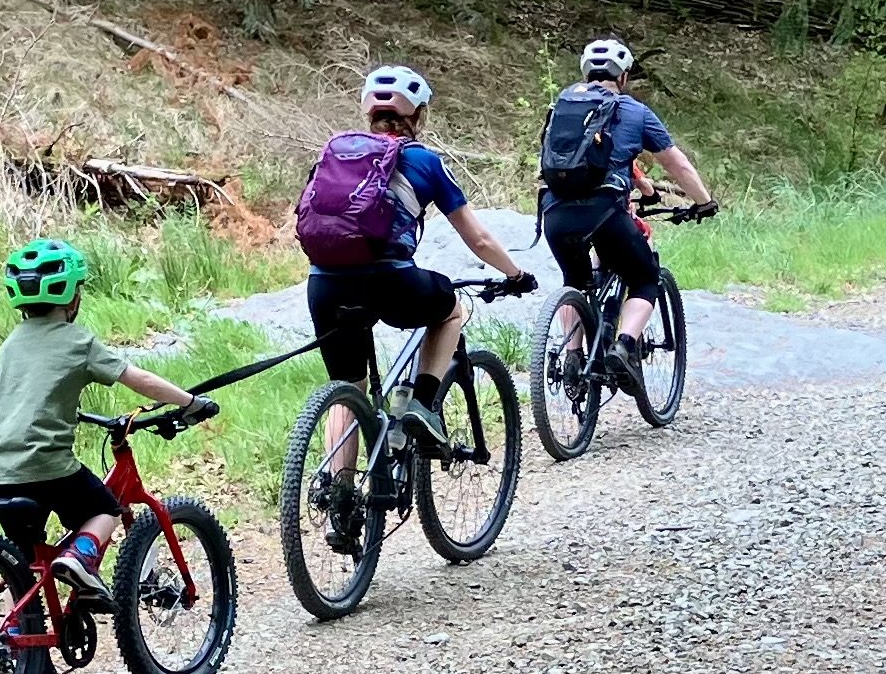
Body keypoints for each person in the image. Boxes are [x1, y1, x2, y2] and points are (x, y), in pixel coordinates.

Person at [305, 65, 535, 454]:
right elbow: (477, 238)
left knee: (348, 391)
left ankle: (338, 495)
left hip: (324, 284)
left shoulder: (336, 155)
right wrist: (515, 273)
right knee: (450, 310)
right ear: (418, 116)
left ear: (368, 114)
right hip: (390, 281)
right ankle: (423, 404)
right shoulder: (425, 161)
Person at [0, 237, 213, 610]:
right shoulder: (78, 341)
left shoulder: (11, 344)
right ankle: (80, 559)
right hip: (47, 466)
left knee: (25, 572)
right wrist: (190, 402)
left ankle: (11, 646)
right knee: (104, 509)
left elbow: (17, 396)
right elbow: (139, 379)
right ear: (72, 296)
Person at [540, 38, 717, 398]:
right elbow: (676, 163)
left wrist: (643, 185)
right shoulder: (635, 112)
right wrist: (704, 201)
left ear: (586, 73)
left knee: (574, 280)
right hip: (605, 214)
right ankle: (623, 345)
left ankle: (573, 357)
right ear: (623, 78)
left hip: (554, 213)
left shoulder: (564, 107)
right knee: (644, 276)